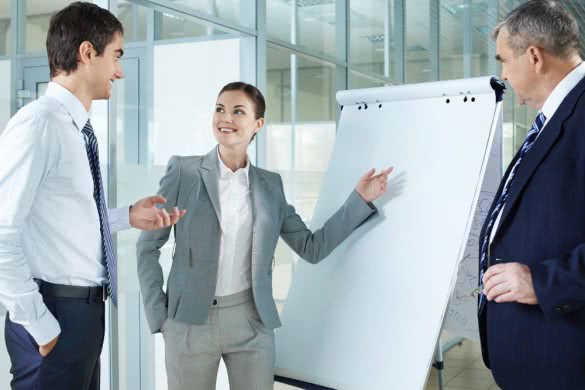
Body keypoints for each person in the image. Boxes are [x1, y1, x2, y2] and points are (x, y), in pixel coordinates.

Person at [136, 81, 393, 390]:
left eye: (237, 111)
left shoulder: (270, 186)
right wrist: (161, 318)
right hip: (188, 323)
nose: (225, 118)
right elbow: (148, 247)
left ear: (258, 124)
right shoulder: (183, 172)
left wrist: (359, 199)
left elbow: (312, 247)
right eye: (220, 109)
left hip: (251, 321)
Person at [0, 3, 185, 389]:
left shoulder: (76, 129)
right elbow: (1, 231)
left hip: (81, 314)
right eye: (115, 56)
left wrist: (125, 217)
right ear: (87, 53)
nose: (119, 71)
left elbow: (64, 218)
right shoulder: (40, 123)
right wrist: (40, 325)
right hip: (54, 314)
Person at [478, 1, 585, 388]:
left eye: (505, 61)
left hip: (565, 359)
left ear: (534, 56)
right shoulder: (558, 114)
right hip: (538, 354)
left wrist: (541, 281)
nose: (503, 75)